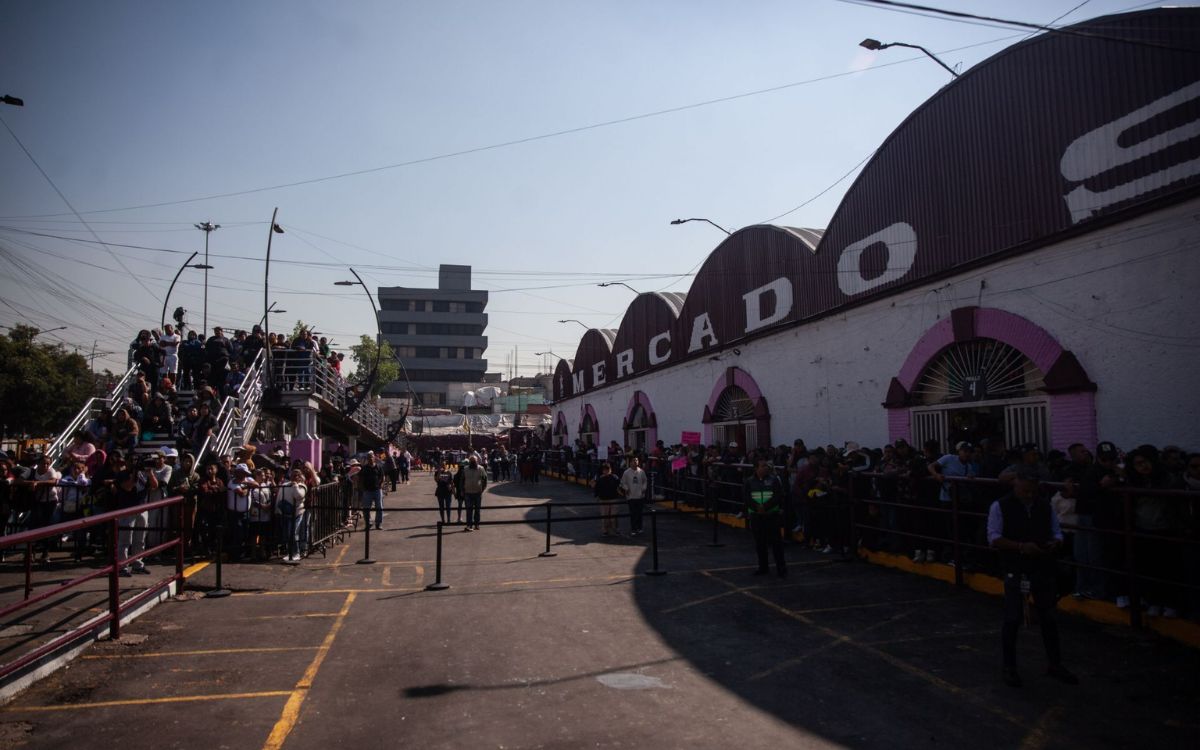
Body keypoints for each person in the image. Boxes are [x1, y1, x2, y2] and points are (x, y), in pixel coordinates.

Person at [987, 471, 1078, 688]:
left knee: (1048, 617)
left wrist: (1055, 542)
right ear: (1015, 486)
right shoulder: (1000, 506)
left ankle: (1054, 664)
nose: (1029, 495)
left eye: (1032, 491)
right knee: (1012, 618)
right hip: (1016, 566)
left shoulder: (1043, 506)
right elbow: (993, 537)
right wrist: (1020, 547)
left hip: (1041, 565)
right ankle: (1009, 667)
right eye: (1025, 490)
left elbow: (1056, 532)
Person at [744, 458, 787, 577]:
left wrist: (765, 507)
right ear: (756, 468)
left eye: (766, 466)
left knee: (776, 544)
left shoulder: (774, 480)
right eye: (762, 466)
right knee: (760, 543)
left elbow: (778, 495)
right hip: (756, 516)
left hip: (771, 515)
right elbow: (746, 498)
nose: (766, 468)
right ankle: (763, 567)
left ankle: (781, 568)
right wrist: (757, 507)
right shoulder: (749, 481)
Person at [619, 455, 649, 536]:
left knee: (639, 513)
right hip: (631, 496)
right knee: (633, 513)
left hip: (640, 496)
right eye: (633, 460)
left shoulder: (641, 471)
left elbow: (645, 481)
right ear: (630, 462)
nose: (635, 462)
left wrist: (644, 488)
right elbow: (622, 483)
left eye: (636, 460)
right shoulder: (626, 472)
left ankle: (639, 528)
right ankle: (633, 528)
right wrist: (626, 489)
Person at [459, 455, 488, 531]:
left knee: (477, 510)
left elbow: (485, 479)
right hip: (467, 492)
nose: (473, 462)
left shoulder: (481, 469)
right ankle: (469, 525)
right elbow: (462, 481)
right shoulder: (465, 469)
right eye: (471, 461)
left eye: (474, 461)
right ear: (469, 462)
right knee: (469, 510)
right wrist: (462, 490)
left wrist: (483, 488)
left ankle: (477, 525)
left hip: (478, 492)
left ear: (477, 461)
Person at [358, 453, 385, 530]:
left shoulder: (378, 467)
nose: (370, 459)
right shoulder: (364, 468)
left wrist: (381, 485)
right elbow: (360, 478)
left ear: (374, 458)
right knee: (366, 508)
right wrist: (362, 488)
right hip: (367, 491)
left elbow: (383, 476)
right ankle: (368, 523)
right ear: (367, 459)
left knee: (379, 507)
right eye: (368, 458)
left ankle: (378, 524)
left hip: (377, 490)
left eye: (371, 457)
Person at [594, 462, 622, 537]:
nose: (606, 471)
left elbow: (619, 486)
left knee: (614, 516)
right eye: (605, 470)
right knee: (605, 517)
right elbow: (597, 489)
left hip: (614, 499)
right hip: (603, 499)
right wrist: (597, 496)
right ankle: (605, 530)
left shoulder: (615, 477)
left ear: (610, 470)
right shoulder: (600, 479)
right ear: (603, 470)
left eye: (607, 469)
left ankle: (616, 529)